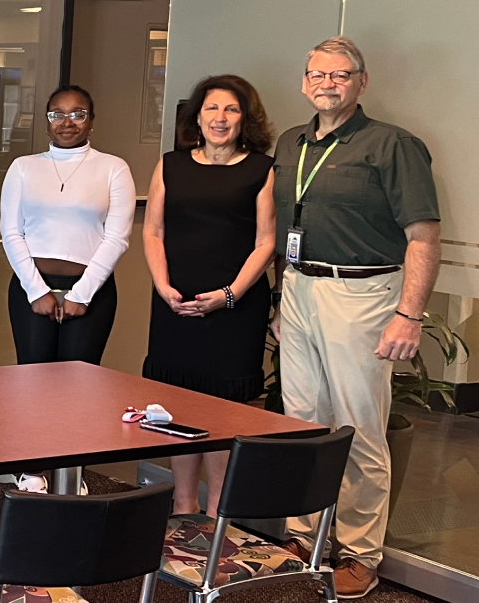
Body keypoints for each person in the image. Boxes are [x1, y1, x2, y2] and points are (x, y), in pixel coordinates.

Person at [273, 37, 438, 598]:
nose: (328, 83)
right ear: (304, 81)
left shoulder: (393, 145)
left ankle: (360, 552)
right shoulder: (291, 142)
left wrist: (408, 315)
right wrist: (280, 302)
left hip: (362, 293)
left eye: (341, 75)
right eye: (318, 74)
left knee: (358, 426)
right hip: (298, 288)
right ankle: (302, 535)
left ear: (361, 83)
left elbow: (422, 236)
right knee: (302, 421)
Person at [142, 75, 277, 517]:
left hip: (233, 311)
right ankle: (183, 504)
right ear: (196, 116)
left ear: (245, 119)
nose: (220, 118)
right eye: (212, 108)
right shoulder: (171, 164)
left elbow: (265, 242)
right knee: (179, 403)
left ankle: (219, 510)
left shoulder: (262, 168)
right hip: (174, 305)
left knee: (224, 409)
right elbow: (154, 230)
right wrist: (163, 287)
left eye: (231, 109)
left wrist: (230, 295)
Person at [0, 86, 134, 366]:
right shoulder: (23, 167)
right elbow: (12, 233)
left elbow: (117, 239)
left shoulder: (114, 168)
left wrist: (82, 295)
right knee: (31, 379)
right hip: (31, 288)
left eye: (78, 114)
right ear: (48, 122)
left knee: (80, 382)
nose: (67, 122)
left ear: (91, 120)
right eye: (57, 114)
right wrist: (37, 291)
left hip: (92, 290)